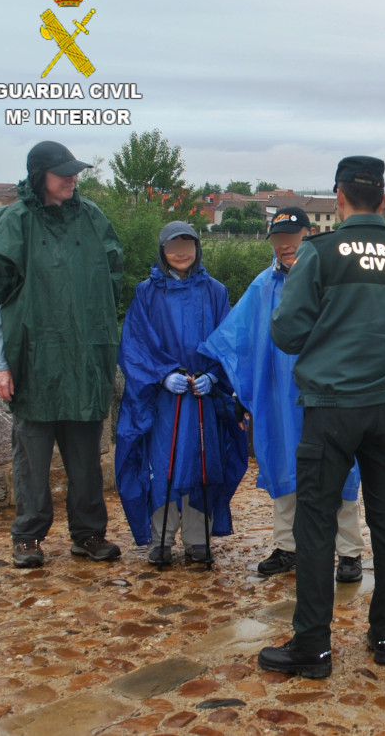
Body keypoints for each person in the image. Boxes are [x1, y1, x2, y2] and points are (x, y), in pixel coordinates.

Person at [258, 156, 385, 678]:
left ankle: (312, 647)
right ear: (384, 201)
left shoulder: (321, 252)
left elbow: (287, 332)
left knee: (315, 526)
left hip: (332, 408)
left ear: (338, 199)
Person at [0, 141, 124, 568]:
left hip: (81, 361)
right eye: (64, 174)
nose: (73, 179)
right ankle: (28, 537)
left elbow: (109, 285)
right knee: (32, 460)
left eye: (74, 173)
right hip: (33, 363)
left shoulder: (91, 218)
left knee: (85, 459)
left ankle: (89, 534)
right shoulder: (14, 223)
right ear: (41, 176)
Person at [199, 207, 366, 582]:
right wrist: (241, 392)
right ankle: (287, 545)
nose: (286, 246)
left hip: (328, 393)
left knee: (339, 467)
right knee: (282, 465)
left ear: (309, 236)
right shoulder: (262, 286)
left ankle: (349, 551)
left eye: (293, 238)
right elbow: (240, 339)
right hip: (277, 396)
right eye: (279, 240)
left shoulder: (333, 279)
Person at [114, 221, 248, 566]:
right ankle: (161, 536)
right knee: (163, 464)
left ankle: (197, 536)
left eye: (187, 245)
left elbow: (228, 341)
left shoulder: (215, 291)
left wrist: (214, 377)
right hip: (164, 401)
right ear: (162, 249)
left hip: (202, 399)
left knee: (203, 462)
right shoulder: (147, 292)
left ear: (197, 248)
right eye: (174, 246)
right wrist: (161, 375)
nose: (180, 253)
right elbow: (135, 342)